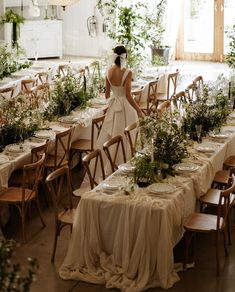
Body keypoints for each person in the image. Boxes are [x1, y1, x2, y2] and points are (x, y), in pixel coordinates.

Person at [95, 45, 143, 170]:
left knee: (114, 135)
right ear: (124, 56)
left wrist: (114, 99)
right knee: (129, 135)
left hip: (114, 107)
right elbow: (128, 96)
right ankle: (128, 163)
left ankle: (111, 164)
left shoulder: (108, 72)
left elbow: (106, 95)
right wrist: (139, 110)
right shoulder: (127, 72)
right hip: (126, 108)